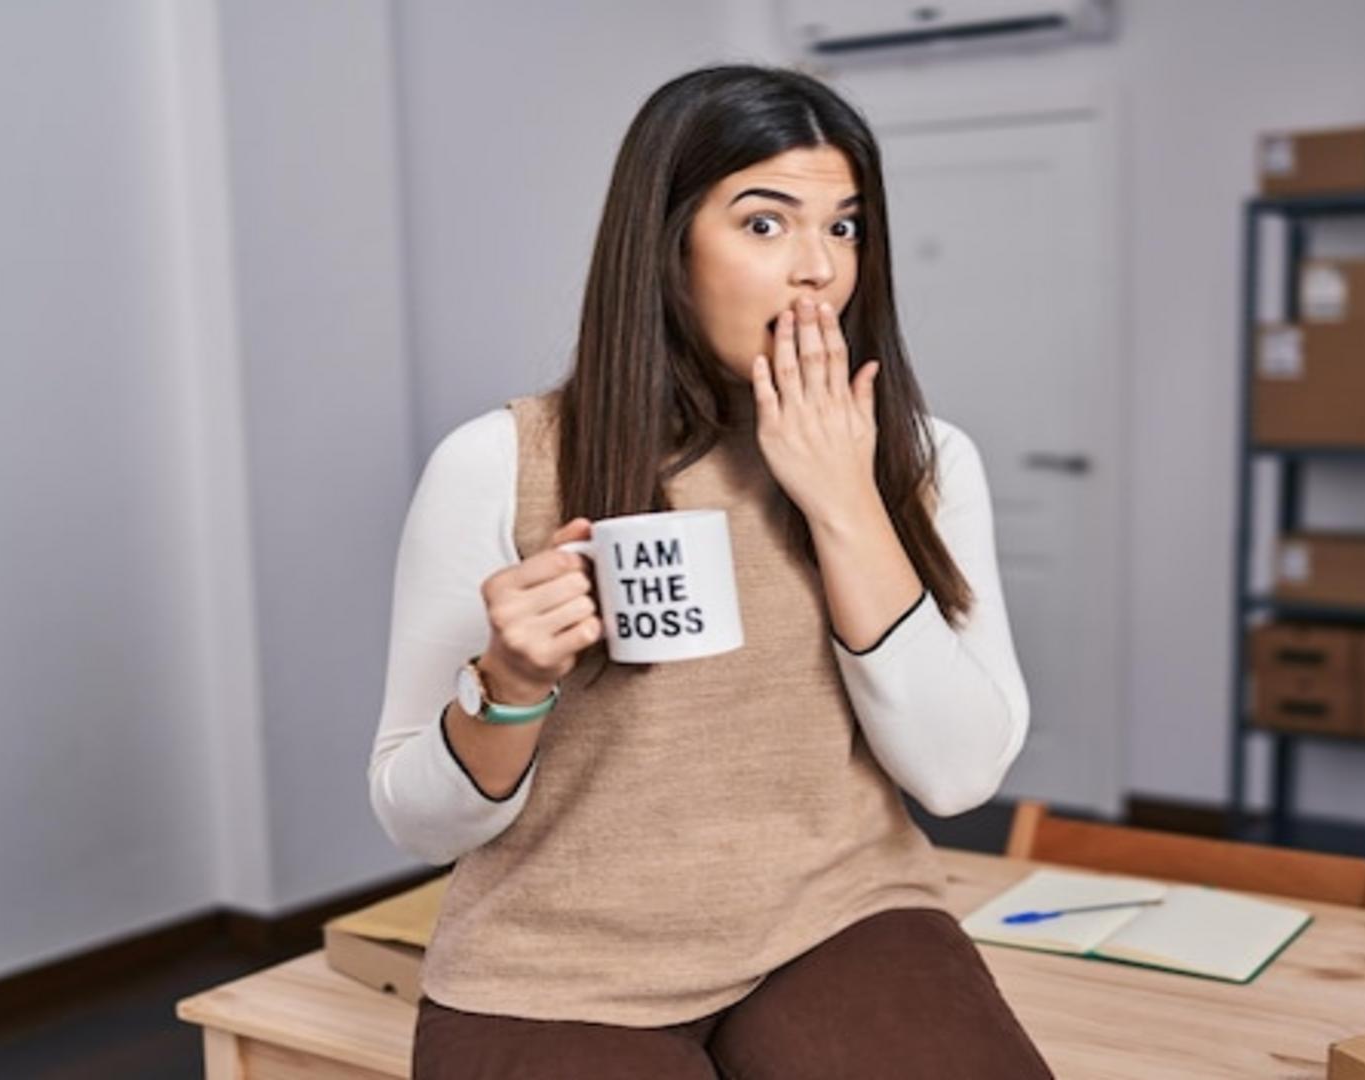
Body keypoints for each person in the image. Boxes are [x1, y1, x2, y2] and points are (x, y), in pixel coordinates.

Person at [369, 63, 1052, 1079]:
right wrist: (508, 687)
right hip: (557, 959)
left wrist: (846, 500)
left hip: (838, 912)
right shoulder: (499, 464)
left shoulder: (925, 460)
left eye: (845, 226)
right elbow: (416, 821)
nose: (818, 269)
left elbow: (957, 779)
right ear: (667, 244)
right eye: (766, 224)